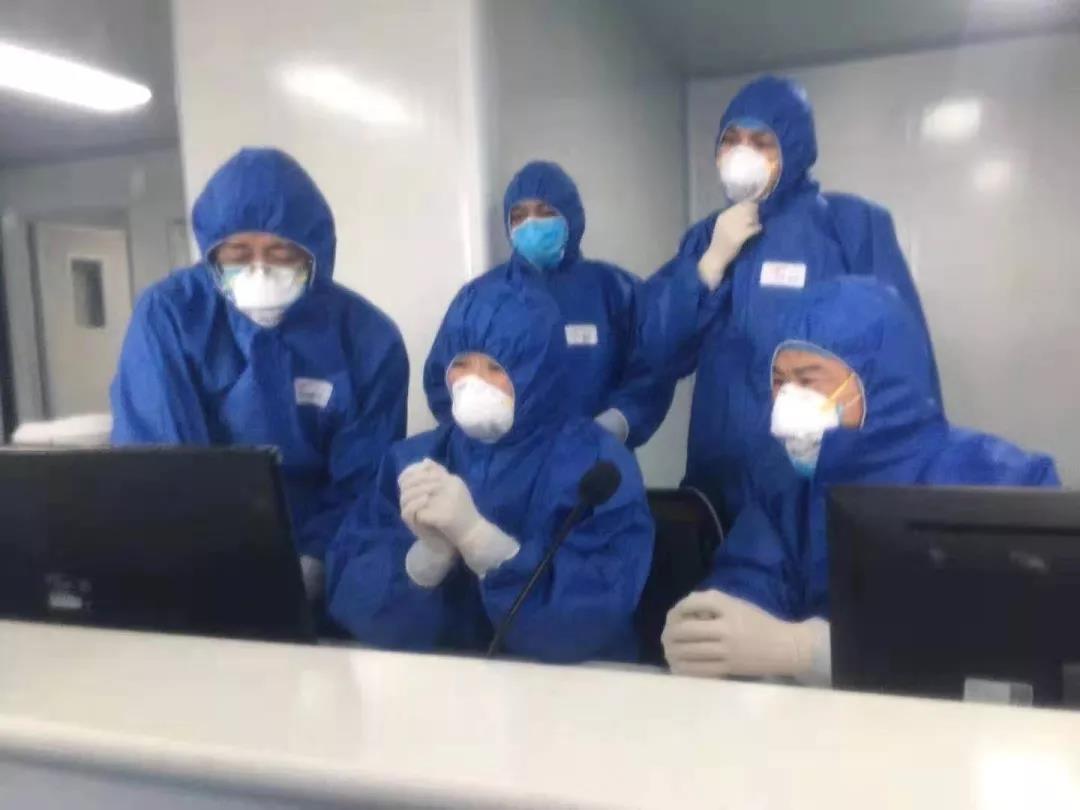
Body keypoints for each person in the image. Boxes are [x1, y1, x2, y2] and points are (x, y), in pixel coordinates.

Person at [661, 278, 1058, 682]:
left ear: (877, 380)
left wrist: (811, 651)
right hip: (813, 719)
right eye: (779, 381)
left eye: (808, 380)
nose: (786, 401)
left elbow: (1028, 642)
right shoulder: (786, 491)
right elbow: (745, 587)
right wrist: (703, 630)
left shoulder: (1004, 479)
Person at [641, 75, 940, 528]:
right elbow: (657, 351)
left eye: (761, 141)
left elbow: (904, 366)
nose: (742, 153)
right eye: (731, 140)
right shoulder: (707, 238)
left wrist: (908, 492)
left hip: (816, 482)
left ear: (794, 147)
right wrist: (705, 270)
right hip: (717, 486)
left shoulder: (849, 226)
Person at [111, 148, 409, 595]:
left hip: (330, 556)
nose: (259, 271)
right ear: (211, 253)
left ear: (314, 252)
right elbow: (162, 463)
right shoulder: (170, 315)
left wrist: (315, 563)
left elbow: (365, 478)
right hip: (197, 553)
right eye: (237, 253)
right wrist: (204, 564)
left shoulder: (367, 338)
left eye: (280, 253)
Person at [327, 280, 654, 662]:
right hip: (445, 680)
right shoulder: (413, 461)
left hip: (566, 686)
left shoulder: (597, 466)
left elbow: (590, 618)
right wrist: (425, 561)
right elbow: (353, 598)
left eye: (495, 368)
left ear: (539, 371)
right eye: (461, 365)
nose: (474, 384)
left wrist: (481, 542)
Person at [424, 160, 674, 448]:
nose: (531, 224)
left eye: (545, 212)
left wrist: (619, 422)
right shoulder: (479, 299)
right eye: (519, 216)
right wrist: (480, 437)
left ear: (572, 216)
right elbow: (443, 377)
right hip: (507, 463)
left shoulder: (614, 290)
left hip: (596, 461)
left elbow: (653, 366)